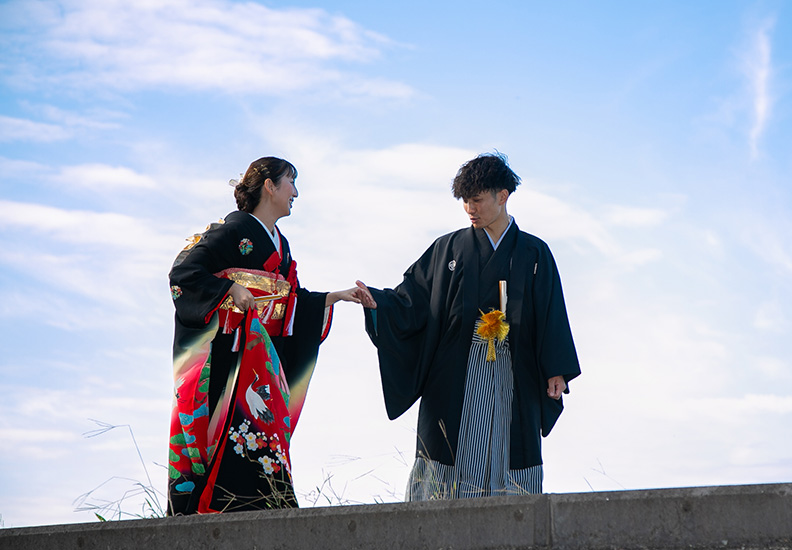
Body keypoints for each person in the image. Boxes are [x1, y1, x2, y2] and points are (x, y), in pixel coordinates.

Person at [355, 152, 580, 500]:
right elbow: (413, 299)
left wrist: (556, 370)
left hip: (513, 368)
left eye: (477, 200)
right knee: (447, 448)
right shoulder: (449, 248)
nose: (469, 209)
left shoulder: (534, 253)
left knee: (510, 446)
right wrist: (379, 304)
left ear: (502, 196)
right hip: (455, 370)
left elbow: (552, 313)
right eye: (465, 201)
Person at [167, 156, 362, 514]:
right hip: (226, 358)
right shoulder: (229, 232)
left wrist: (332, 297)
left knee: (262, 438)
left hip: (261, 362)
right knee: (218, 437)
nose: (295, 192)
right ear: (269, 186)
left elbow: (292, 301)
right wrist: (229, 289)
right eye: (291, 182)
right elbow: (183, 273)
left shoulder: (281, 245)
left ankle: (264, 505)